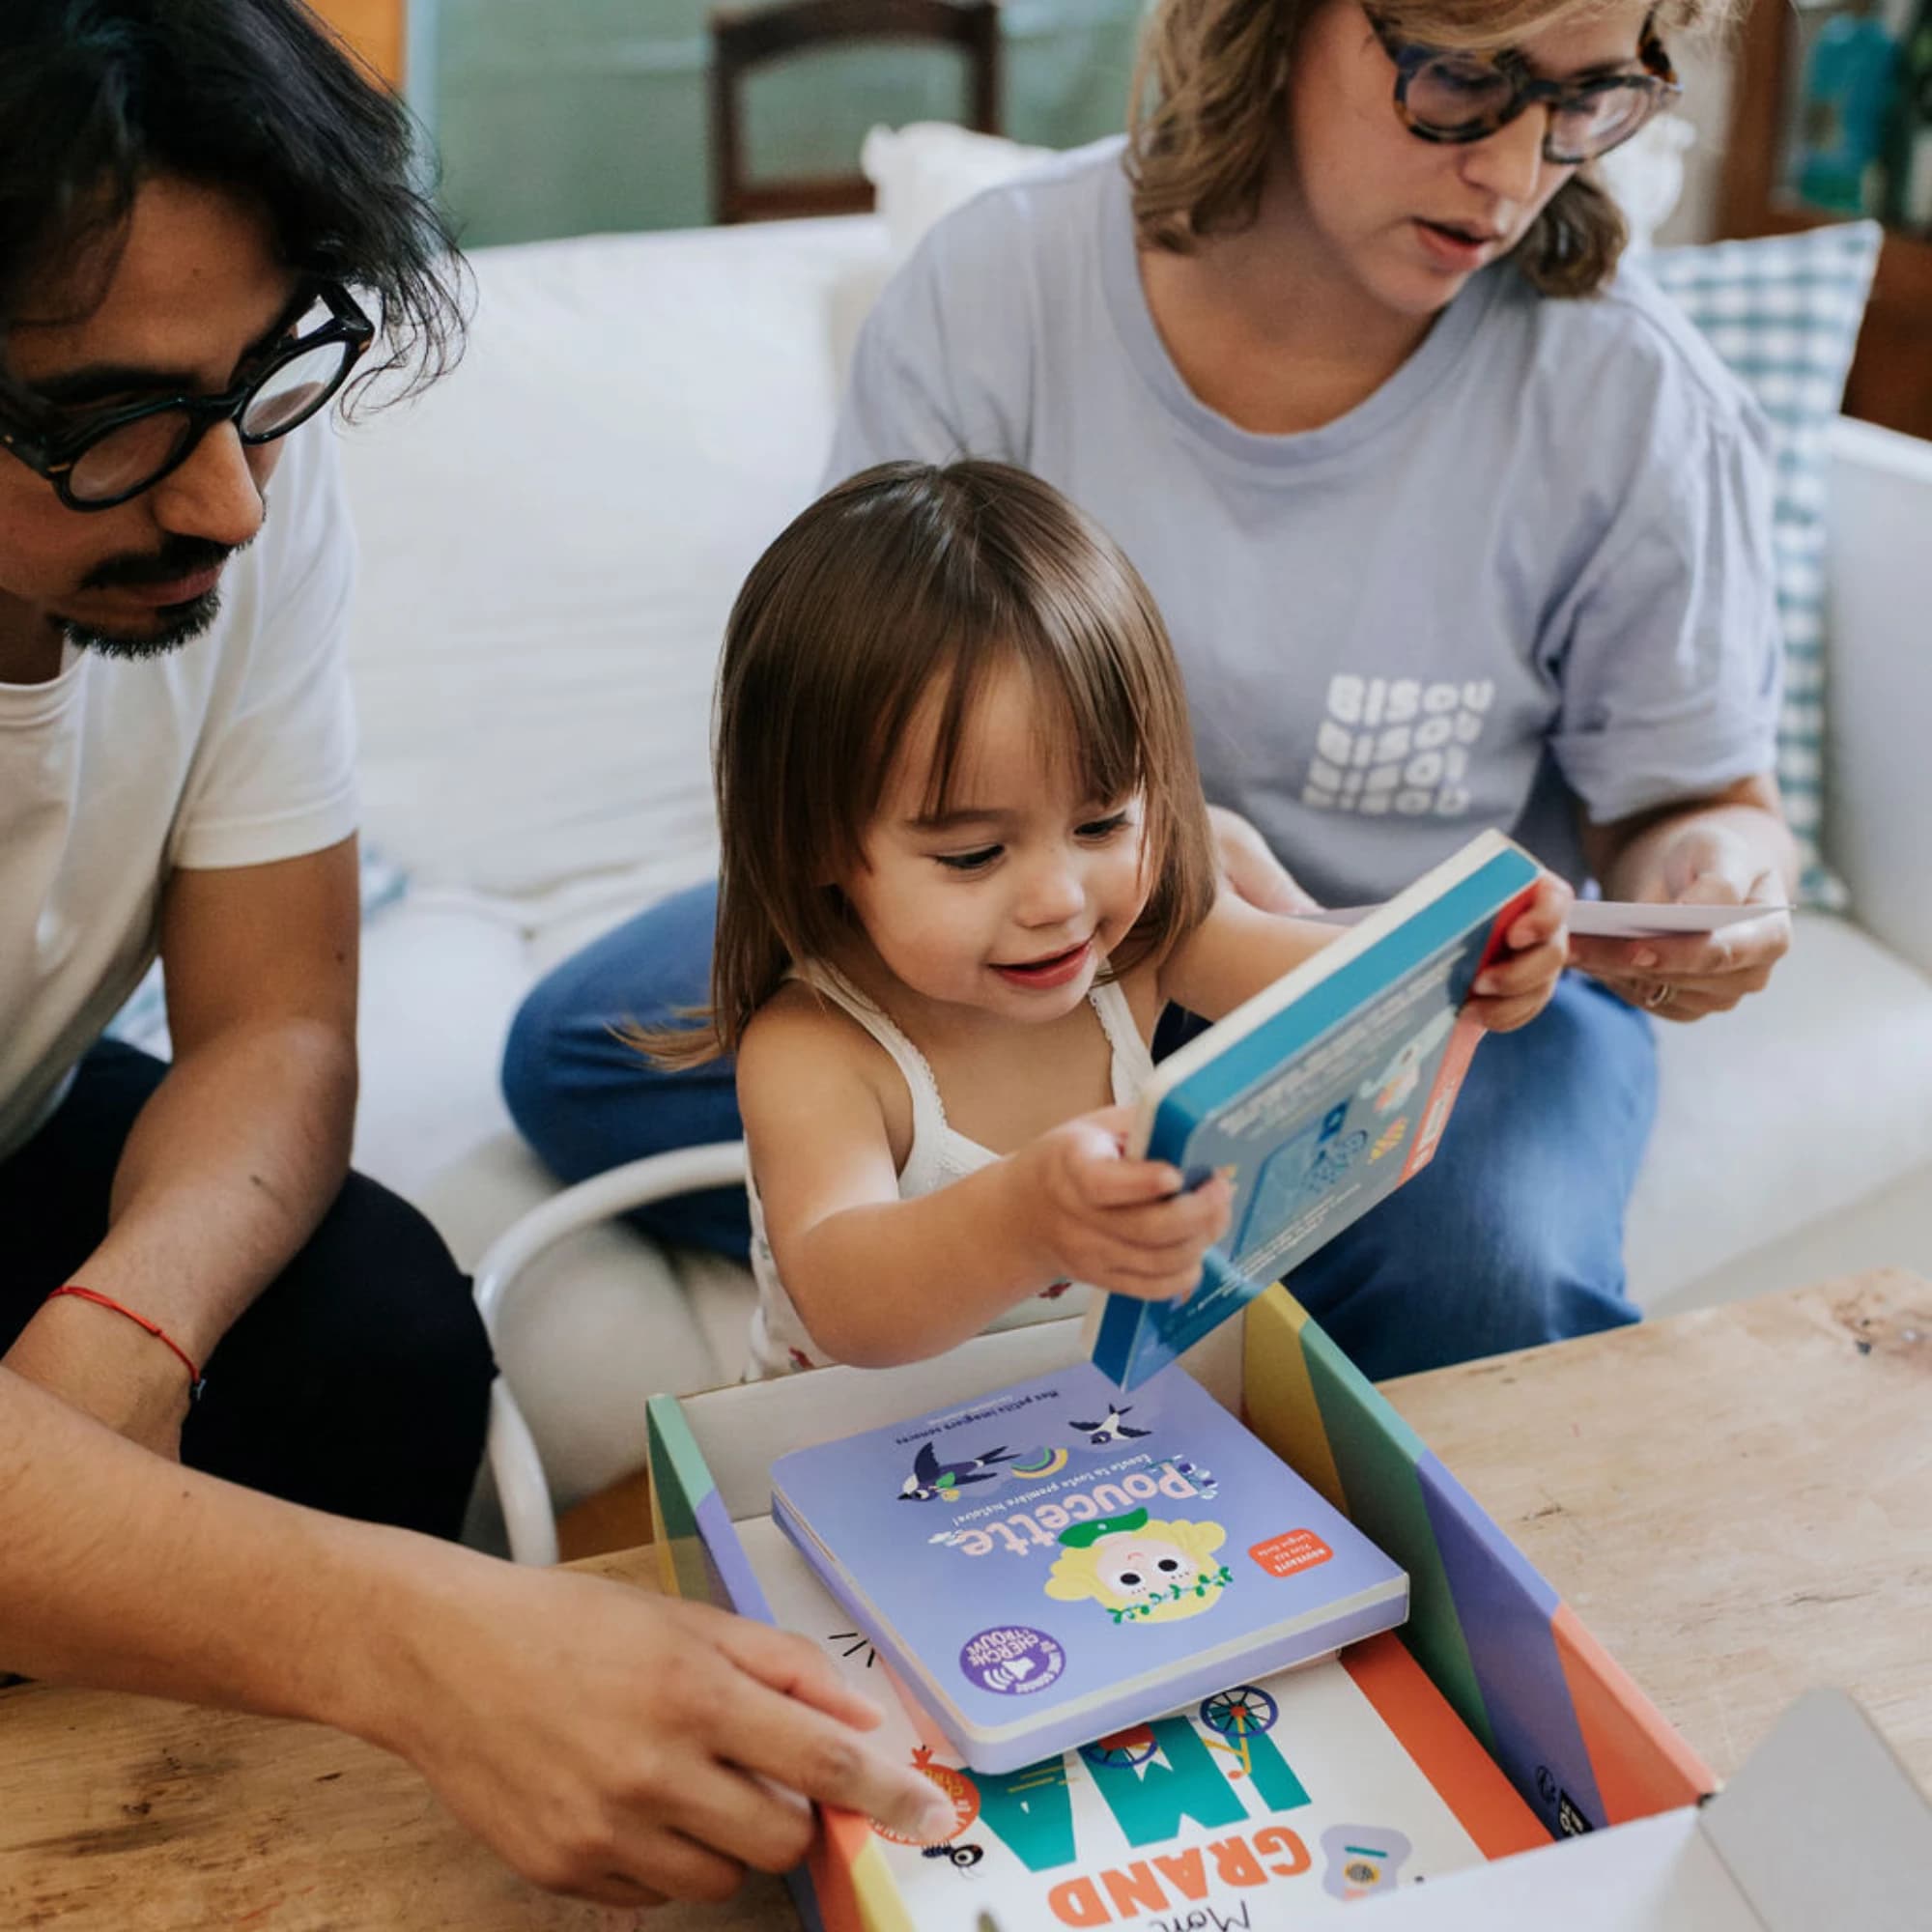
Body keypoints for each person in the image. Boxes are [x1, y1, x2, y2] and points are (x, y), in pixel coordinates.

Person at [0, 0, 952, 1903]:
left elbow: (272, 1023)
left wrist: (130, 1322)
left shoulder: (245, 491)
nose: (227, 502)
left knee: (373, 1325)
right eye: (112, 428)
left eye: (268, 378)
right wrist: (428, 1640)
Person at [504, 0, 1797, 1381]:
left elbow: (1696, 802)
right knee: (584, 1049)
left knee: (1491, 1286)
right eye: (1464, 83)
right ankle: (1151, 1236)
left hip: (1392, 973)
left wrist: (1715, 873)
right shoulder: (1001, 287)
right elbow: (853, 713)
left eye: (1588, 99)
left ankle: (1176, 1241)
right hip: (1098, 930)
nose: (1518, 170)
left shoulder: (1635, 393)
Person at [637, 460, 1570, 1376]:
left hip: (1097, 1451)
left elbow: (1348, 997)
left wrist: (1470, 974)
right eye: (972, 856)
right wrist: (1027, 1215)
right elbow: (853, 1309)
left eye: (1101, 823)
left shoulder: (1153, 943)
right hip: (853, 1472)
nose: (1059, 899)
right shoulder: (818, 1048)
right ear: (818, 845)